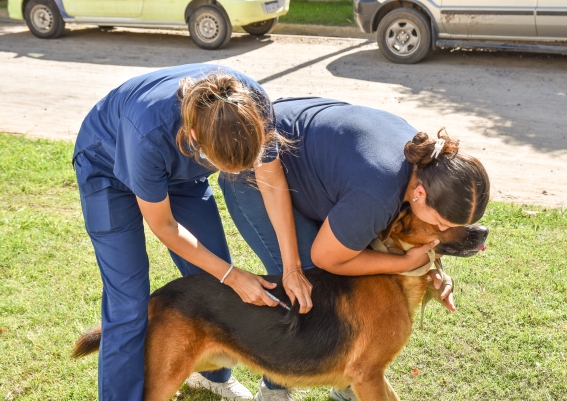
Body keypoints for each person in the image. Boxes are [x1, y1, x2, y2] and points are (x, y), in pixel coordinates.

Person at [219, 97, 491, 401]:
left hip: (305, 167)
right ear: (419, 194)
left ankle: (347, 379)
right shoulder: (378, 194)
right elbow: (327, 258)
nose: (444, 230)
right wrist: (403, 263)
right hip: (253, 173)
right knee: (310, 279)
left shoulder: (429, 163)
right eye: (442, 223)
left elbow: (408, 229)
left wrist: (432, 267)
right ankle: (275, 390)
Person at [72, 64, 312, 401]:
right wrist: (232, 275)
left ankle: (210, 375)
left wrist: (292, 267)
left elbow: (271, 183)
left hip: (180, 172)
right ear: (197, 138)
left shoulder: (252, 101)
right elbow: (165, 225)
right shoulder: (148, 134)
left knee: (210, 279)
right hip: (107, 168)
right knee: (128, 301)